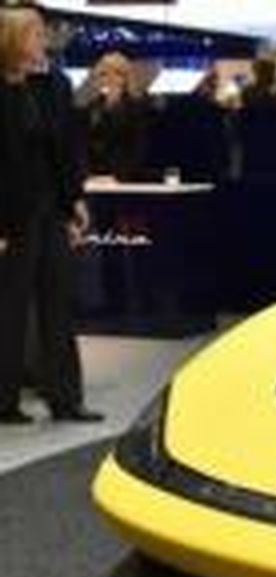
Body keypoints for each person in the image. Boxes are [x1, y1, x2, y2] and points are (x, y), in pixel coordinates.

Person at [0, 5, 102, 424]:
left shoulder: (54, 84)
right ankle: (4, 400)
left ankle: (65, 397)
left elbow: (65, 148)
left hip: (49, 210)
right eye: (36, 32)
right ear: (12, 38)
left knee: (59, 304)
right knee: (9, 307)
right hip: (10, 216)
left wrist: (74, 200)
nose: (45, 39)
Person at [85, 51, 148, 180]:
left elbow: (137, 147)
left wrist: (119, 176)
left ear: (125, 78)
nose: (109, 79)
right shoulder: (93, 105)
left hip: (125, 176)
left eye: (115, 74)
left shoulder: (137, 105)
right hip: (95, 175)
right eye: (103, 74)